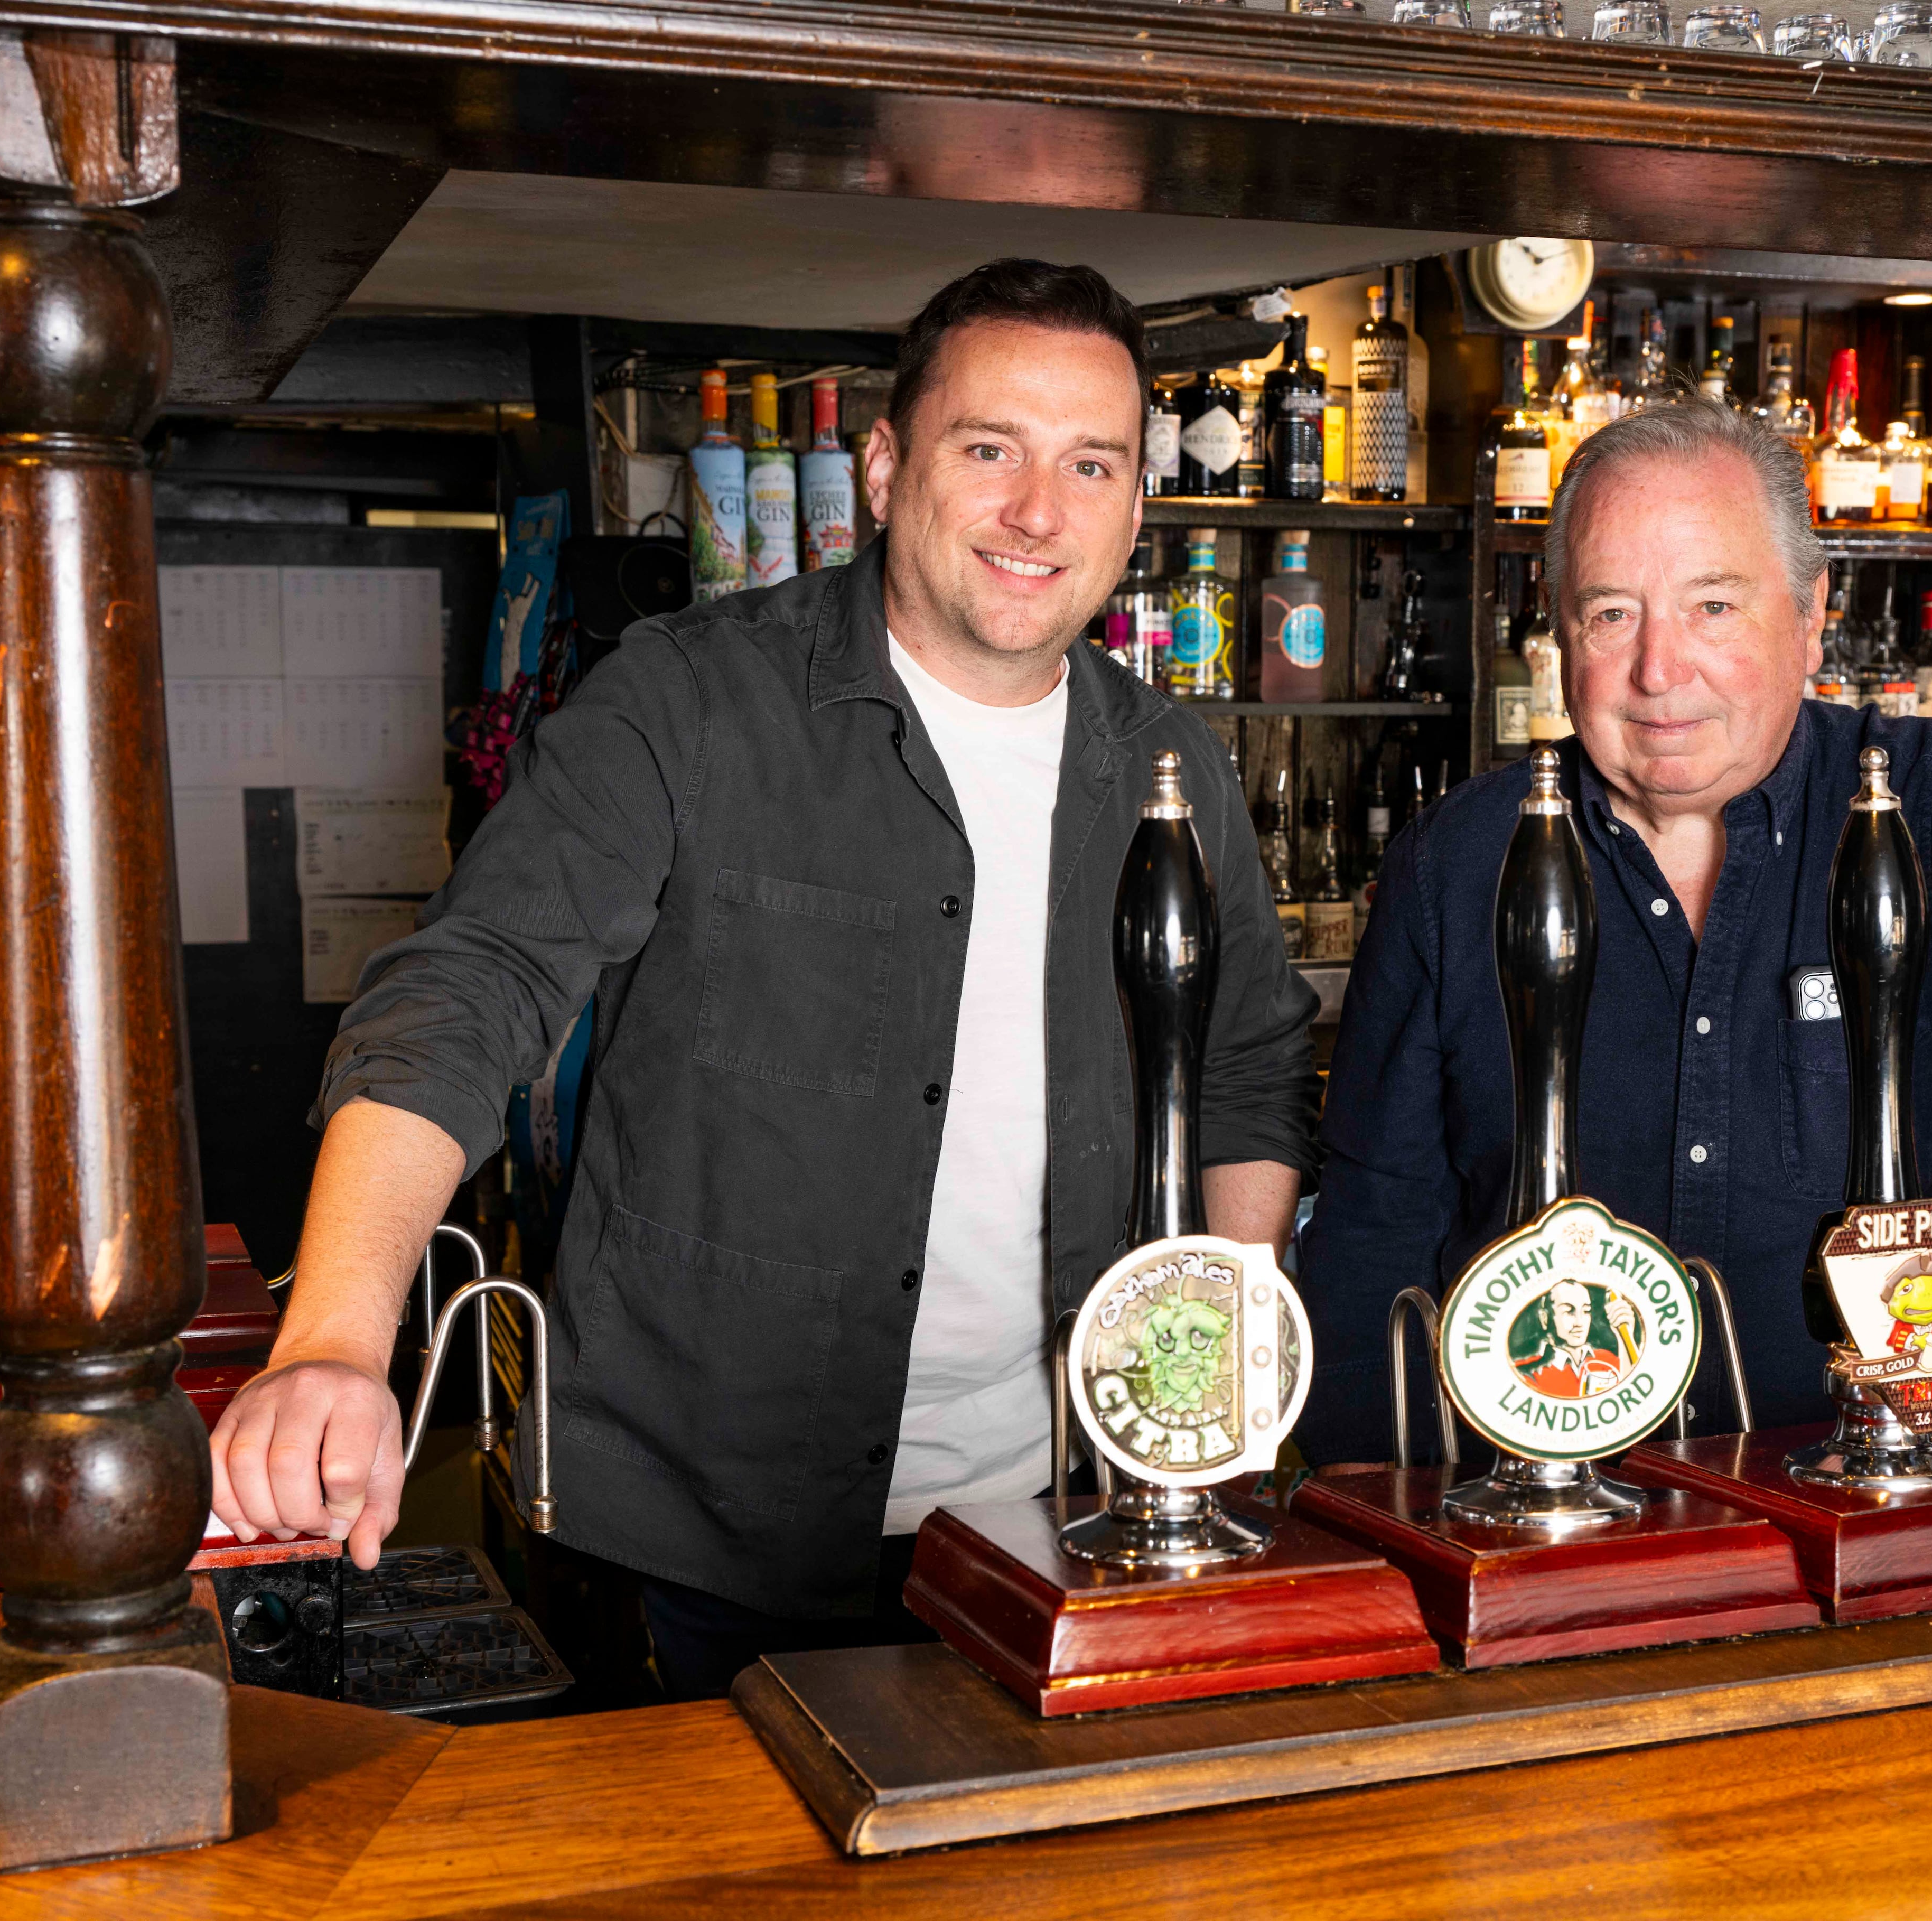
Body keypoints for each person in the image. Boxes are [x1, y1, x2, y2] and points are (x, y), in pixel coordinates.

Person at [208, 260, 1320, 1699]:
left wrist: (1208, 1396)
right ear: (882, 466)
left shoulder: (1172, 764)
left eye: (1089, 463)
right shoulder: (684, 701)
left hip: (1060, 1526)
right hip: (703, 1541)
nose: (1038, 511)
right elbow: (468, 992)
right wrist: (338, 1342)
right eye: (990, 450)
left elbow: (1245, 1067)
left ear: (1133, 506)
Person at [1297, 400, 1932, 1456]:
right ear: (1557, 629)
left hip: (1878, 1506)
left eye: (1713, 607)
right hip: (1539, 1525)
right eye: (1610, 614)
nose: (1658, 670)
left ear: (1811, 611)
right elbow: (1375, 1246)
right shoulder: (1458, 861)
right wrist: (1382, 1529)